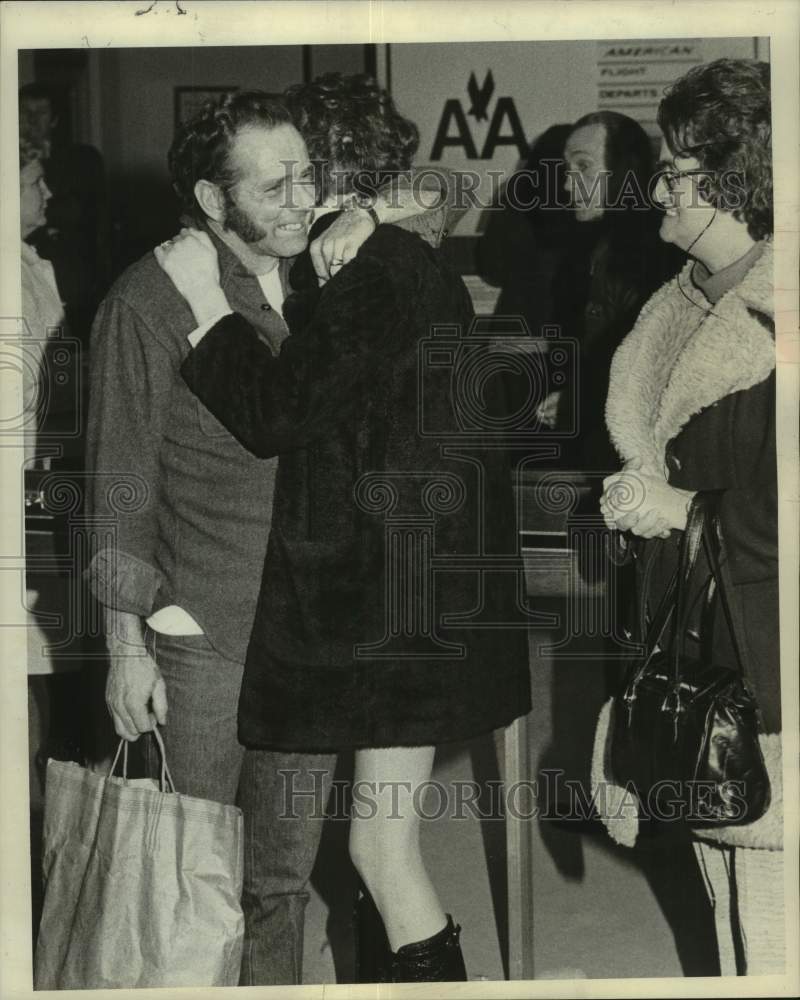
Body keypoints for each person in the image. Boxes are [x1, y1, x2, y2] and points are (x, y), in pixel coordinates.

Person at [156, 72, 531, 983]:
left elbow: (279, 410)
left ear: (329, 177)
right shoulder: (387, 257)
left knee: (379, 851)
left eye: (297, 173)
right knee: (378, 847)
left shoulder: (377, 272)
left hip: (401, 621)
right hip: (424, 604)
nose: (285, 192)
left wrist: (203, 305)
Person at [84, 89, 439, 986]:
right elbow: (119, 486)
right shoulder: (148, 300)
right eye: (276, 187)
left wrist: (363, 207)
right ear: (213, 200)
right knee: (186, 883)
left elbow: (436, 193)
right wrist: (126, 647)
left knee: (278, 885)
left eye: (309, 180)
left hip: (306, 635)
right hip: (200, 637)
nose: (299, 201)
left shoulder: (326, 266)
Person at [599, 59, 781, 976]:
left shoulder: (778, 318)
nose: (658, 186)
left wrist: (684, 509)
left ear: (733, 179)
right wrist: (648, 498)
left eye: (674, 168)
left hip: (772, 673)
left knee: (775, 927)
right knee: (726, 906)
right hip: (705, 658)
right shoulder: (684, 305)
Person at [545, 111, 682, 468]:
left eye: (584, 167)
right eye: (567, 169)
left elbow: (640, 358)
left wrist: (579, 399)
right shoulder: (603, 241)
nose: (567, 185)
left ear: (625, 168)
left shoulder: (643, 248)